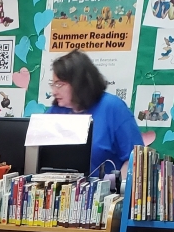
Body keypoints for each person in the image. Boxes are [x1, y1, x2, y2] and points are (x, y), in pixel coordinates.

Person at [46, 49, 144, 178]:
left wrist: (121, 191)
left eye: (59, 84)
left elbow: (136, 159)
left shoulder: (113, 108)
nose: (54, 91)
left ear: (78, 83)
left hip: (105, 194)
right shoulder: (55, 112)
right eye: (52, 84)